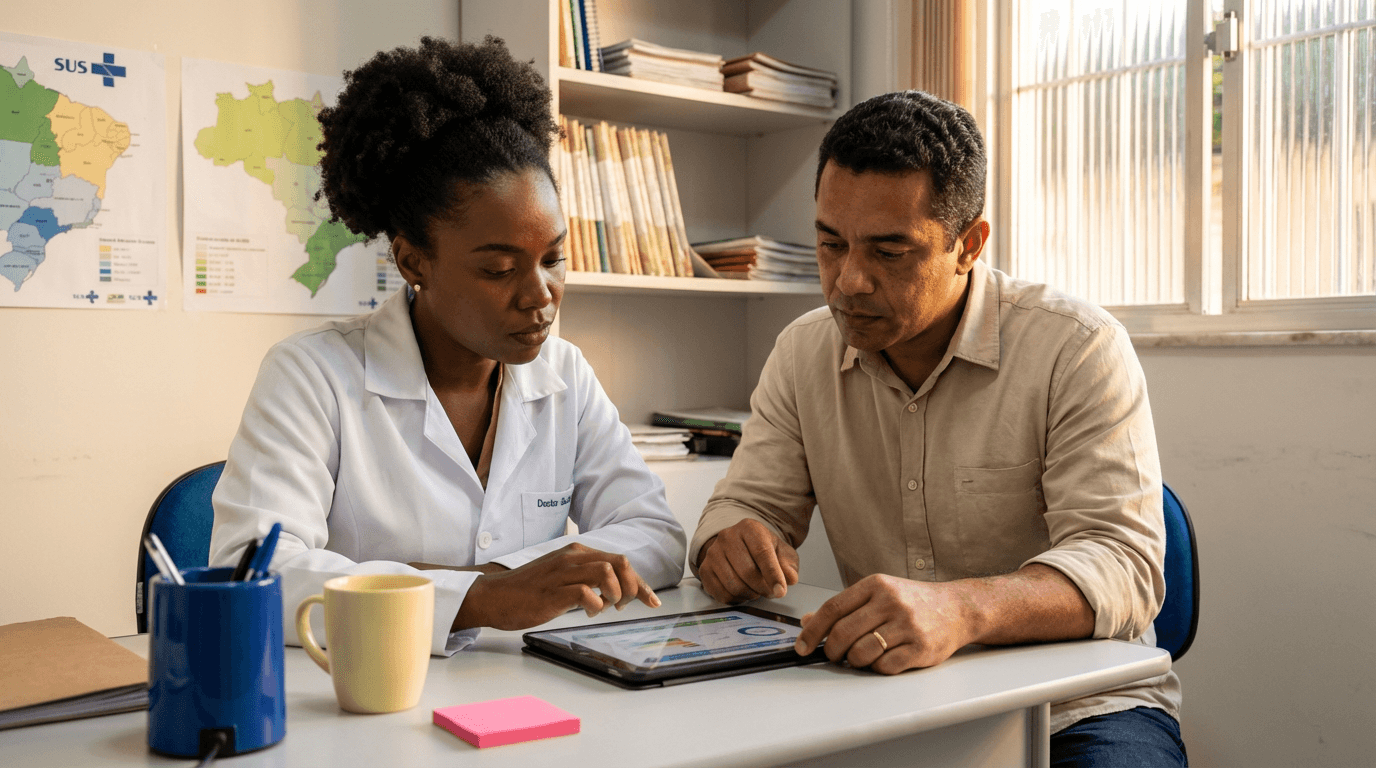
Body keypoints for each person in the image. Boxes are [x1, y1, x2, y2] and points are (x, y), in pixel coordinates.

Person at [690, 91, 1186, 767]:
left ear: (969, 245)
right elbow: (747, 507)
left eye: (890, 252)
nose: (848, 283)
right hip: (889, 702)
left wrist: (963, 610)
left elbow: (1124, 567)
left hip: (1077, 707)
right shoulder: (804, 351)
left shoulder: (1077, 347)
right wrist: (731, 539)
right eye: (830, 243)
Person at [209, 36, 686, 656]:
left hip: (525, 695)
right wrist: (476, 598)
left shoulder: (565, 374)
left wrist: (521, 577)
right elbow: (255, 574)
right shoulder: (313, 374)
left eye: (554, 258)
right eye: (498, 269)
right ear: (413, 261)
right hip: (361, 707)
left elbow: (657, 535)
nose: (540, 295)